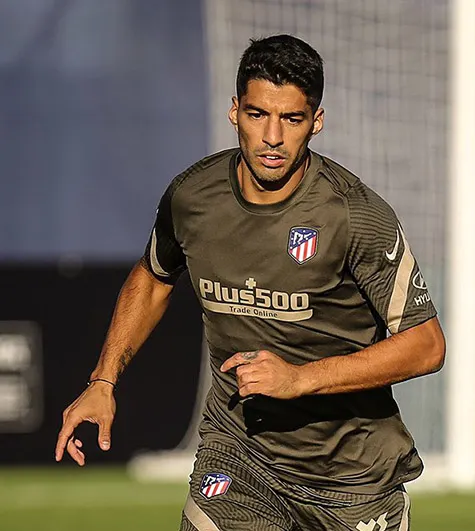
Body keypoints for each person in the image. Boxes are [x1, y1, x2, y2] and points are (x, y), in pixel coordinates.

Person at [55, 34, 445, 531]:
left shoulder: (354, 215)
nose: (273, 137)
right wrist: (103, 380)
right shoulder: (194, 197)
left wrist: (300, 379)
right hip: (239, 457)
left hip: (352, 481)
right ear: (234, 111)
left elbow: (427, 346)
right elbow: (153, 278)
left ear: (317, 122)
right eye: (259, 114)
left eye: (292, 119)